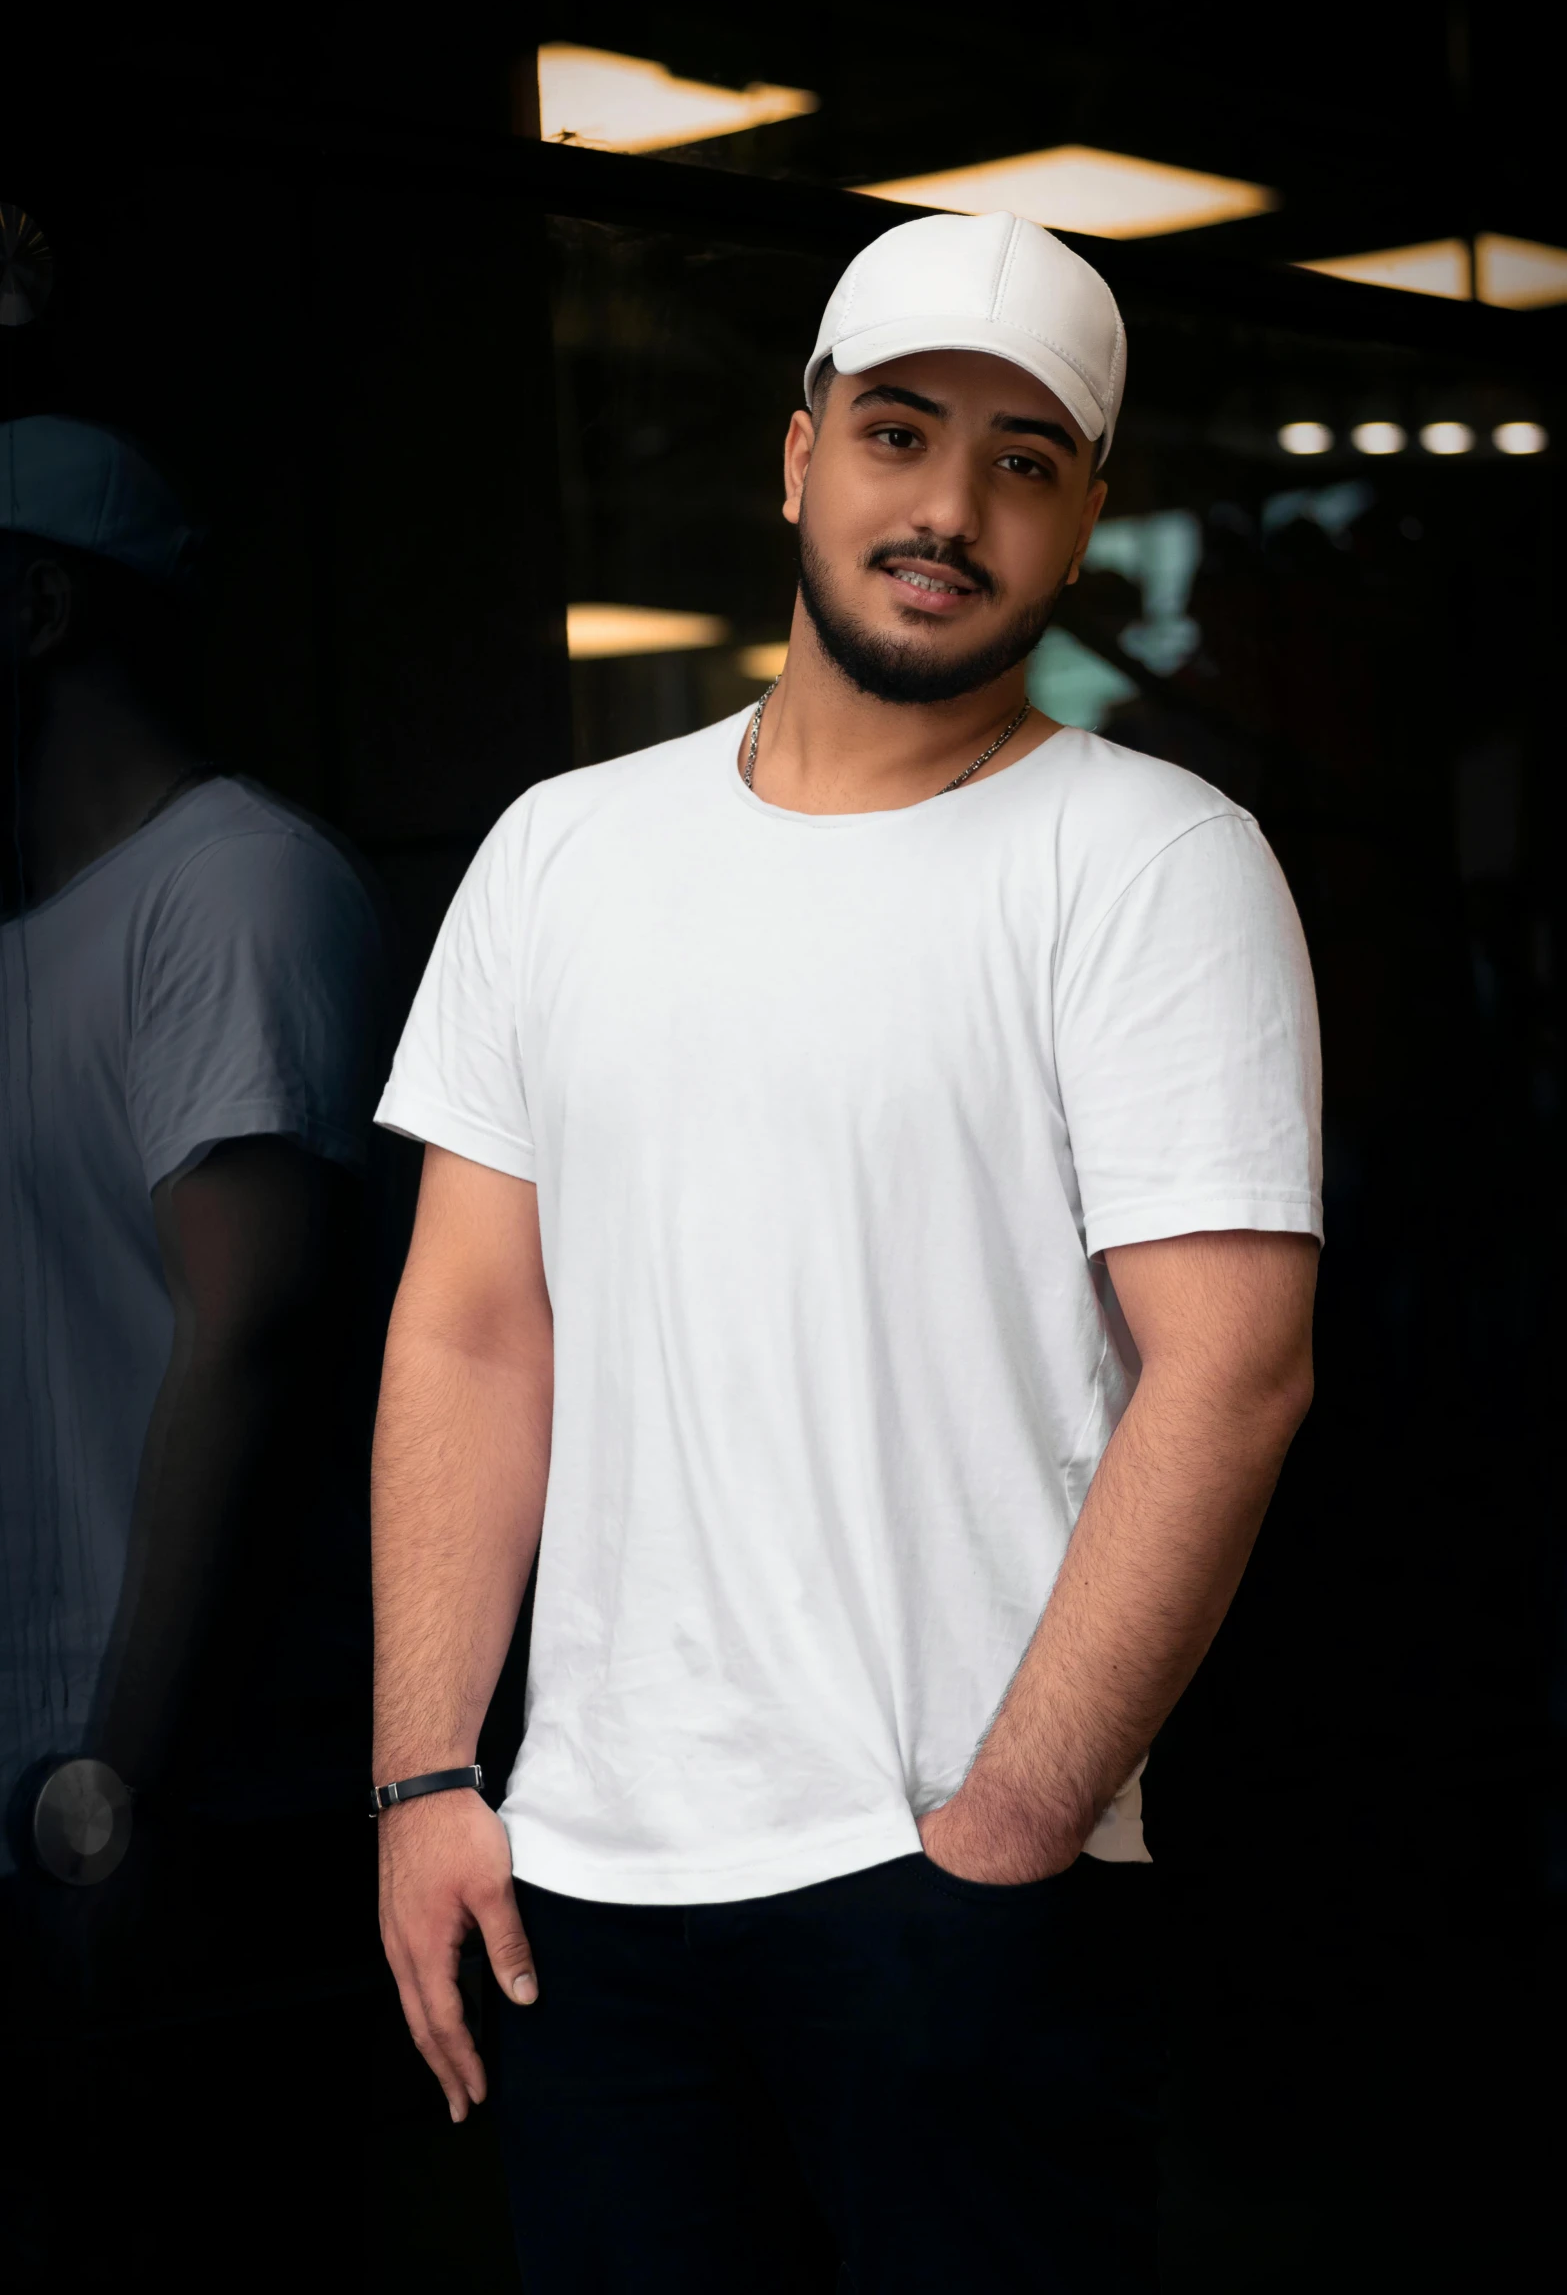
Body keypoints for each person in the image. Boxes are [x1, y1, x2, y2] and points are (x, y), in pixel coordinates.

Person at [371, 212, 1322, 2292]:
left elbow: (1232, 1368)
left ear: (1083, 523)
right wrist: (429, 1770)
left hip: (964, 1874)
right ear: (797, 455)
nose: (949, 507)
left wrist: (1008, 1831)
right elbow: (467, 1326)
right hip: (590, 1888)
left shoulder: (1153, 860)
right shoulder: (564, 853)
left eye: (1023, 460)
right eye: (902, 432)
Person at [0, 416, 385, 1975]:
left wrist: (120, 1787)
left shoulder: (233, 889)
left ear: (36, 608)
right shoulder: (34, 931)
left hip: (172, 1808)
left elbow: (250, 1343)